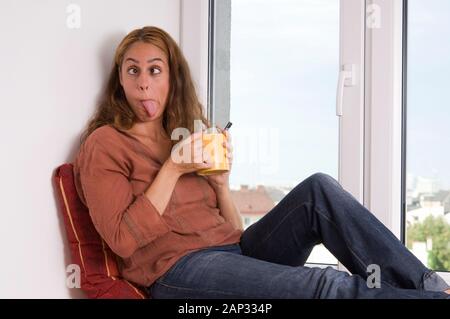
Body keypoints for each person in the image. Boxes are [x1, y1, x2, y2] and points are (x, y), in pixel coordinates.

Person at [73, 26, 450, 299]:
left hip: (234, 252)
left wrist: (220, 183)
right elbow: (121, 242)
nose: (143, 82)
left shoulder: (184, 136)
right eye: (132, 70)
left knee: (318, 190)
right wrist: (172, 169)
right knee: (324, 283)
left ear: (171, 79)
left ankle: (432, 288)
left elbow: (232, 232)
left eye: (154, 70)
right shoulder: (105, 143)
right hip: (176, 270)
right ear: (119, 81)